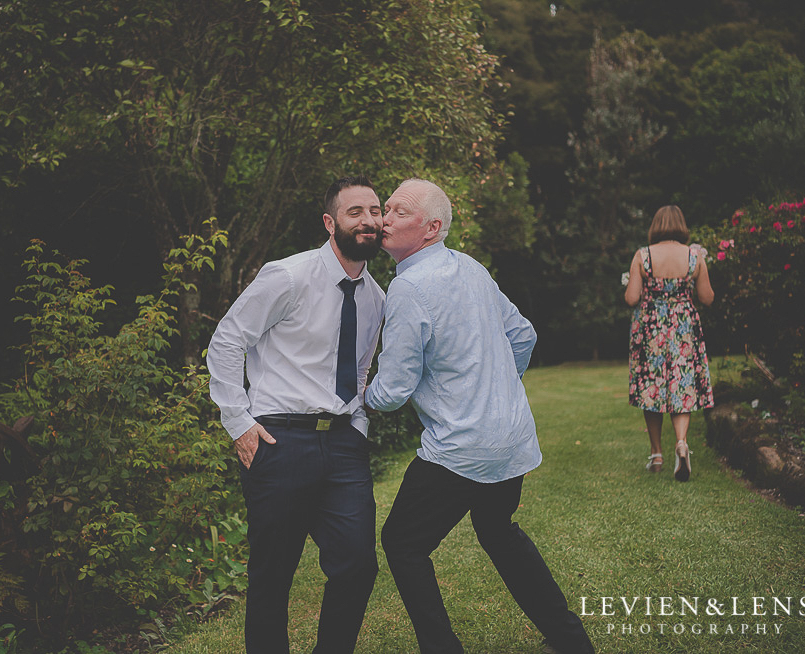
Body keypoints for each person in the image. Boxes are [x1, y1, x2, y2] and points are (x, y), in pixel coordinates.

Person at [364, 178, 595, 654]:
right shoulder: (470, 267)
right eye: (385, 208)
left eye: (398, 212)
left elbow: (392, 390)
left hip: (461, 448)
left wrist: (354, 399)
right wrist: (498, 391)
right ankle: (572, 642)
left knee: (402, 543)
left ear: (431, 229)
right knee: (498, 532)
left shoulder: (407, 286)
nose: (383, 219)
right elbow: (524, 335)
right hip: (510, 438)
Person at [206, 175, 385, 654]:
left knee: (357, 563)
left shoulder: (376, 296)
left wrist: (359, 425)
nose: (368, 220)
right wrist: (239, 422)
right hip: (280, 441)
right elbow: (227, 339)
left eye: (375, 210)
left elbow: (362, 366)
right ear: (330, 223)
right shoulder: (288, 275)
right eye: (355, 212)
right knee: (273, 573)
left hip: (344, 444)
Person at [625, 204, 714, 481]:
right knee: (682, 385)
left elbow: (631, 298)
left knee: (651, 387)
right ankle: (682, 443)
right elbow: (707, 298)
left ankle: (656, 455)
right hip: (683, 326)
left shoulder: (643, 255)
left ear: (656, 226)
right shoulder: (694, 256)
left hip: (651, 327)